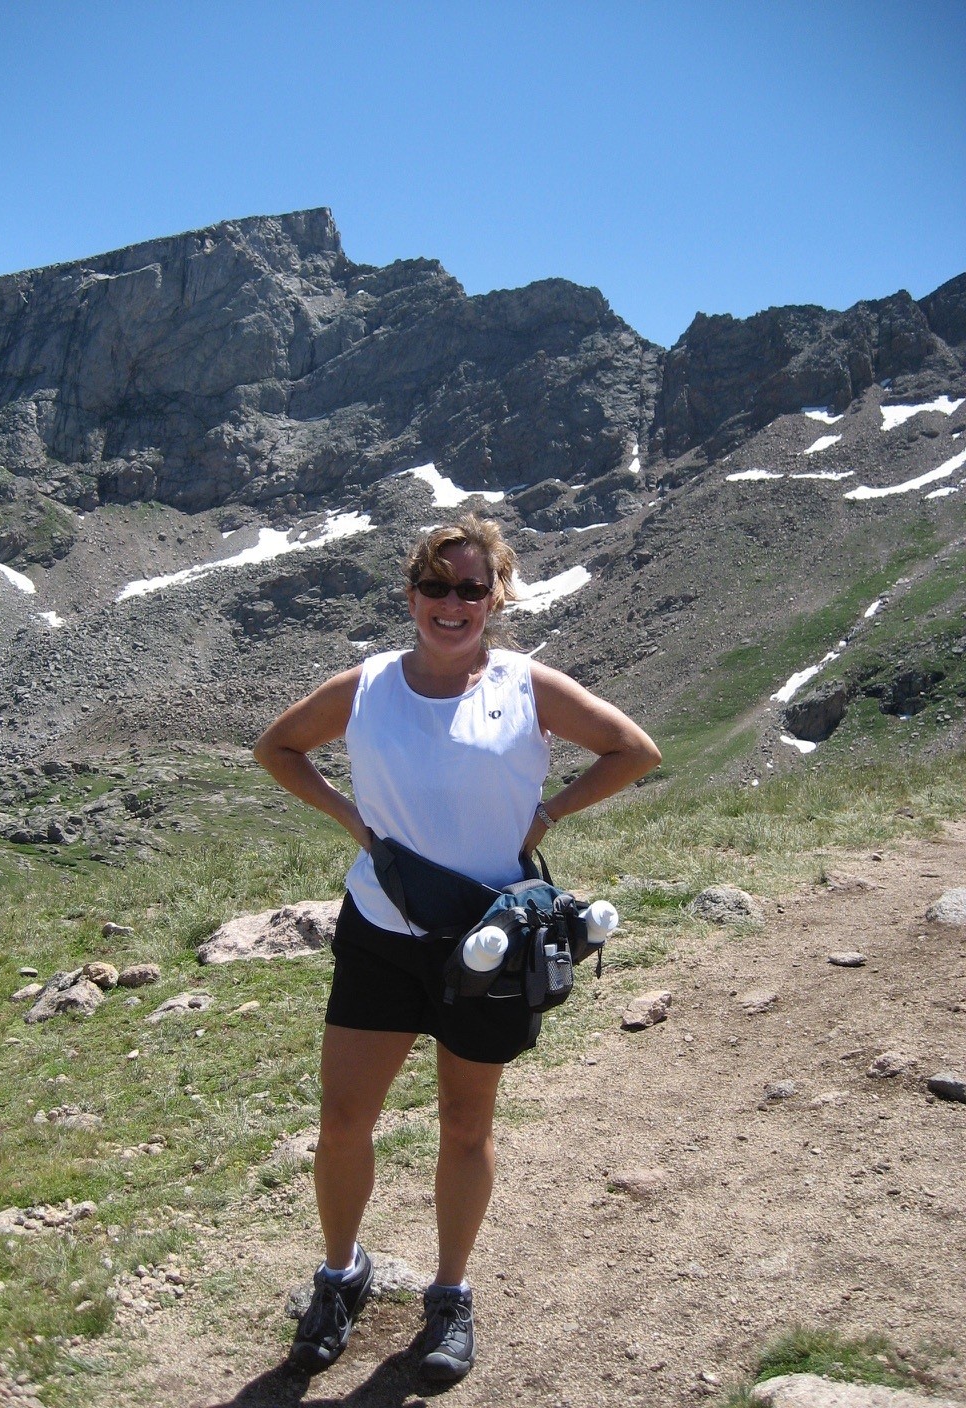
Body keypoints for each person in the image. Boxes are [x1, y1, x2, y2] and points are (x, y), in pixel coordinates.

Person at [253, 513, 661, 1382]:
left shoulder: (526, 684)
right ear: (411, 595)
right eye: (436, 586)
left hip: (491, 943)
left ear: (496, 597)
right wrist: (352, 822)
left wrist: (548, 813)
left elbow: (634, 750)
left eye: (471, 588)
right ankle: (341, 1273)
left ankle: (449, 1293)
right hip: (382, 932)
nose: (452, 603)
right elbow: (277, 748)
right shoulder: (366, 686)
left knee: (466, 1126)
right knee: (342, 1123)